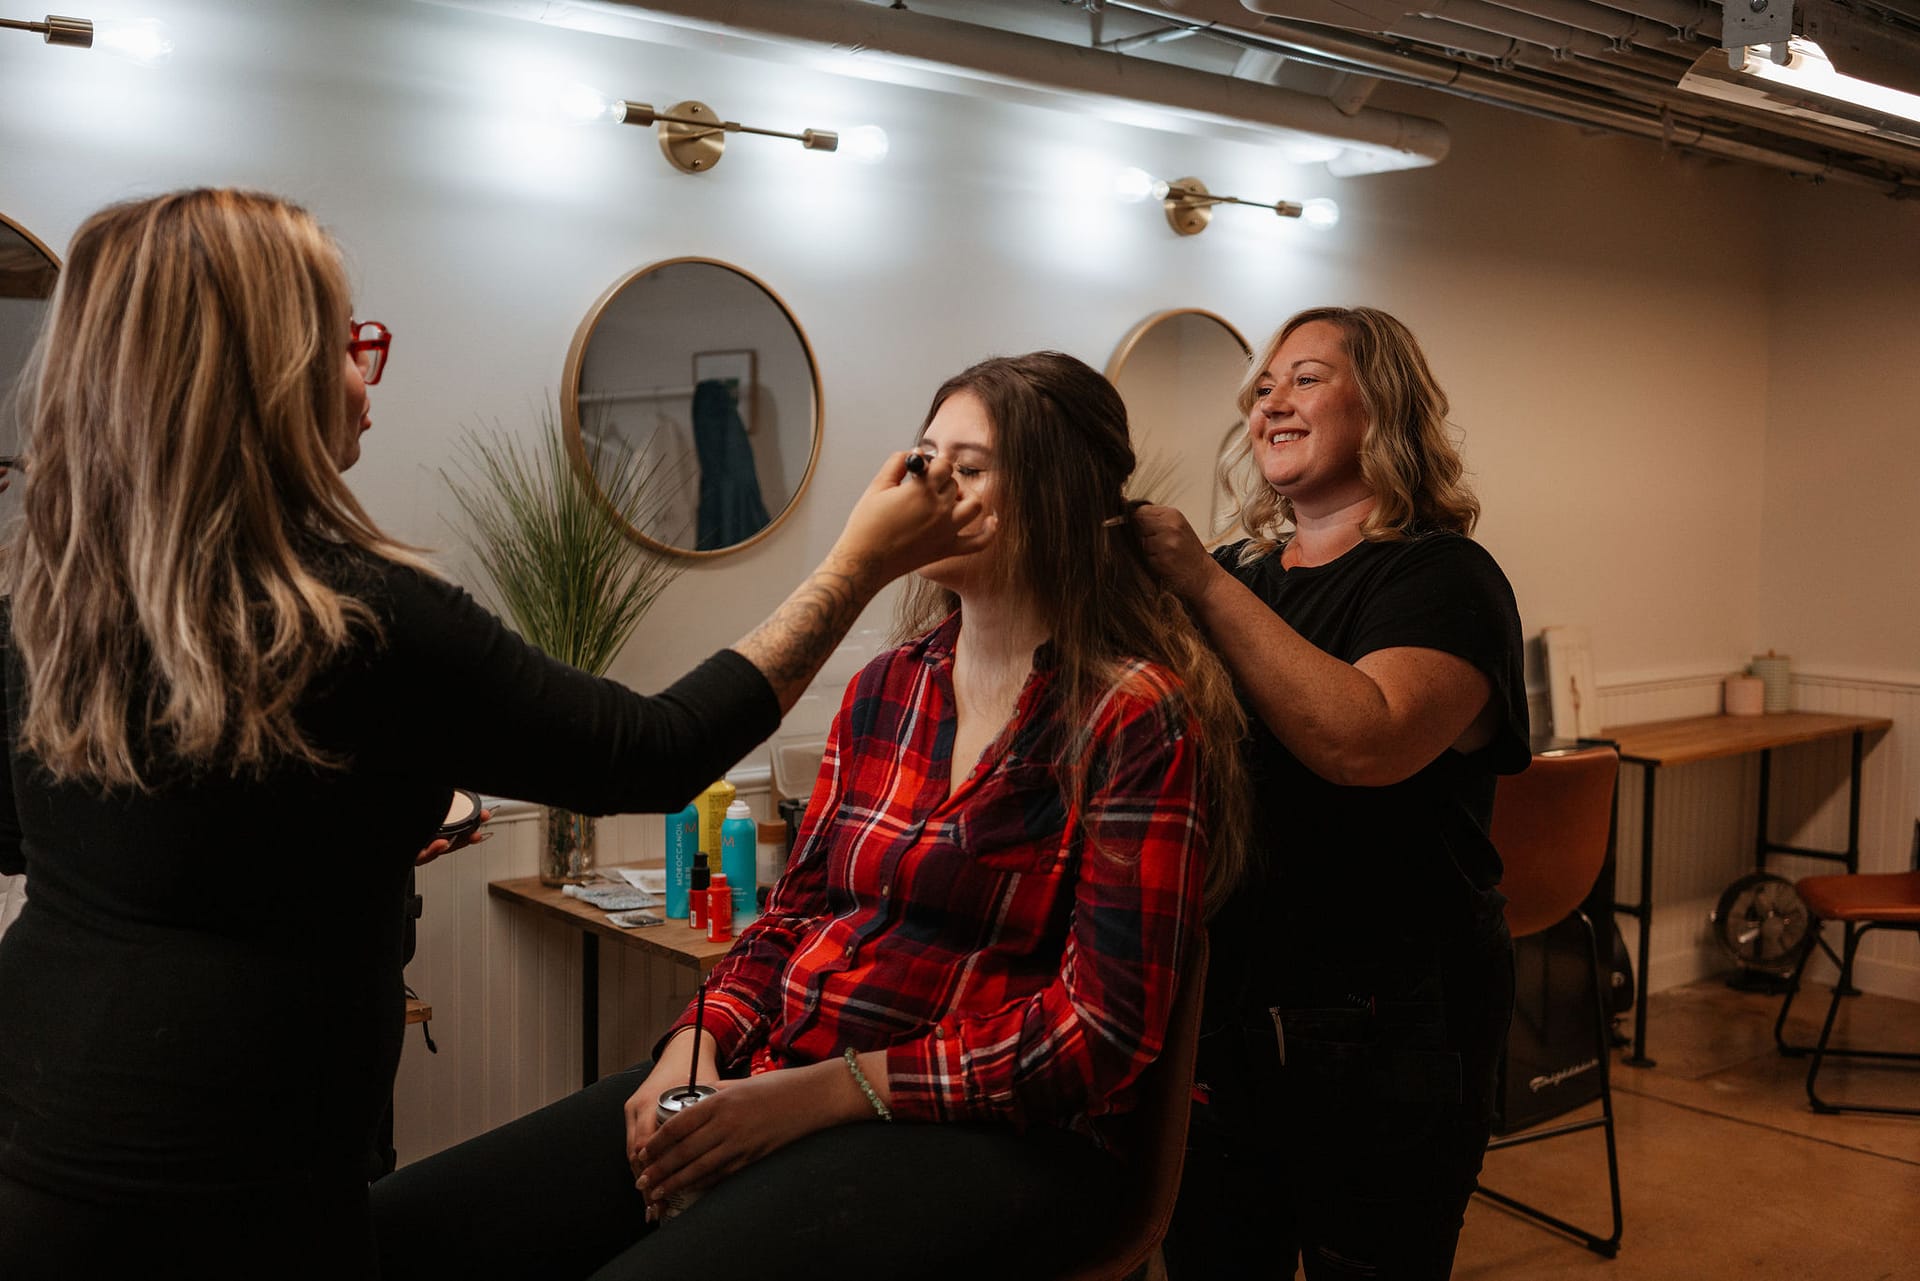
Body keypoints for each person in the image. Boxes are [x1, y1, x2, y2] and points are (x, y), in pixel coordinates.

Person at [0, 188, 982, 1281]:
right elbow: (651, 751)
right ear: (260, 375)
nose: (365, 379)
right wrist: (857, 564)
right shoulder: (360, 618)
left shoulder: (53, 594)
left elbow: (102, 830)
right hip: (232, 1169)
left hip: (35, 1124)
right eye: (340, 345)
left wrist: (327, 840)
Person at [370, 351, 1247, 1280]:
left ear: (1063, 495)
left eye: (971, 466)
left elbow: (1098, 1033)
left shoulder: (1132, 712)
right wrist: (692, 1048)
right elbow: (792, 915)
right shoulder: (888, 686)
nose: (926, 485)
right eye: (923, 457)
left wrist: (826, 1096)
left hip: (997, 1133)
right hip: (788, 1068)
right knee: (403, 1233)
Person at [1137, 306, 1529, 1279]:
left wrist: (1196, 578)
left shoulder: (1444, 578)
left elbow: (1365, 740)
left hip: (1384, 1032)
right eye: (1265, 383)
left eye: (1306, 377)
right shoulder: (1241, 574)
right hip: (1225, 1019)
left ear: (1384, 404)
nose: (1272, 398)